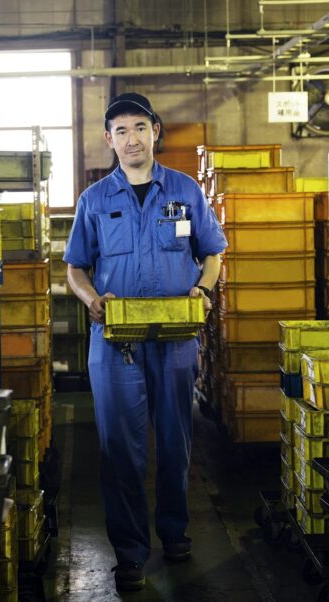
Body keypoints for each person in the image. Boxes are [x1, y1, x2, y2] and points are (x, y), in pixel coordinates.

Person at [64, 92, 227, 593]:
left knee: (176, 442)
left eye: (139, 127)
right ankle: (131, 553)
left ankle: (175, 533)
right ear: (108, 139)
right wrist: (90, 299)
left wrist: (202, 290)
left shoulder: (185, 190)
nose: (131, 139)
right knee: (121, 452)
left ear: (155, 131)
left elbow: (213, 253)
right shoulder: (94, 200)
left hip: (175, 338)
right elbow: (75, 268)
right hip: (116, 342)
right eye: (120, 131)